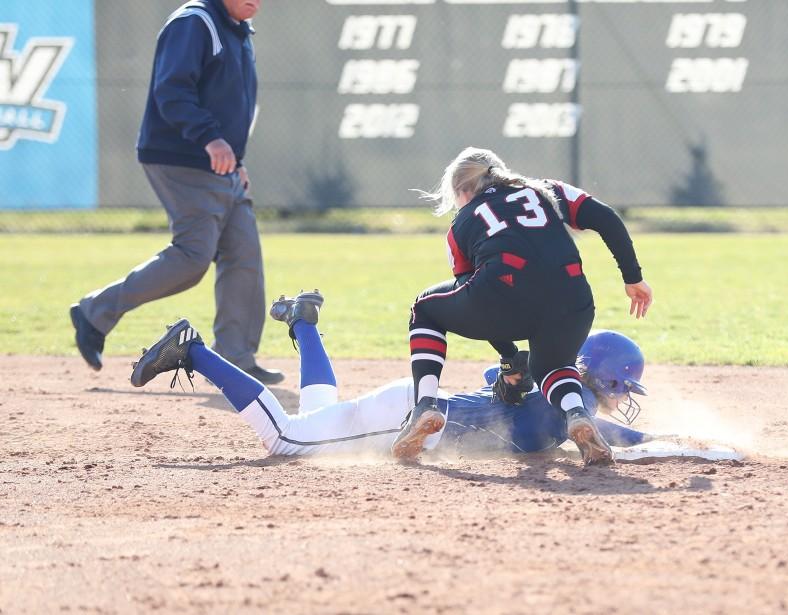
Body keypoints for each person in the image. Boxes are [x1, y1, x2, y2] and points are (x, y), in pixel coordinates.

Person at [128, 291, 660, 460]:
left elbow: (498, 378)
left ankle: (304, 325)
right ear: (605, 381)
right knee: (285, 439)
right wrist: (701, 445)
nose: (622, 398)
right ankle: (194, 352)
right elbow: (624, 439)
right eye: (622, 386)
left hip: (416, 403)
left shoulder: (549, 381)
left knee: (318, 416)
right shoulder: (578, 411)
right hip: (413, 424)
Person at [69, 0, 282, 384]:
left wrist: (236, 157)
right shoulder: (195, 22)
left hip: (220, 161)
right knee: (192, 256)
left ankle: (236, 358)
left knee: (244, 254)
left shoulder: (234, 28)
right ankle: (94, 312)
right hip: (184, 158)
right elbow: (172, 90)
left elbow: (233, 104)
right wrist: (211, 140)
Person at [398, 147, 654, 465]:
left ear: (462, 190)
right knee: (553, 366)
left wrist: (509, 356)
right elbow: (606, 218)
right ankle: (576, 414)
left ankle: (425, 406)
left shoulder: (461, 224)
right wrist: (633, 279)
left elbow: (476, 295)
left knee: (424, 309)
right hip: (574, 300)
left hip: (504, 294)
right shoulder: (548, 189)